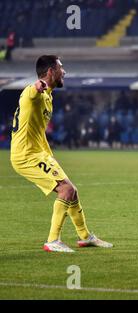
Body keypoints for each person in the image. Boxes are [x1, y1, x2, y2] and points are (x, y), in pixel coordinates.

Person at [10, 55, 113, 252]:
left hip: (39, 153)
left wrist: (49, 155)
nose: (64, 71)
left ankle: (85, 237)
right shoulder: (33, 93)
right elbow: (31, 93)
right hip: (26, 156)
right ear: (50, 72)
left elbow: (38, 132)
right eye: (60, 68)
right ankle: (52, 240)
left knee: (72, 191)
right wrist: (38, 85)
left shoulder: (48, 96)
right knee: (66, 190)